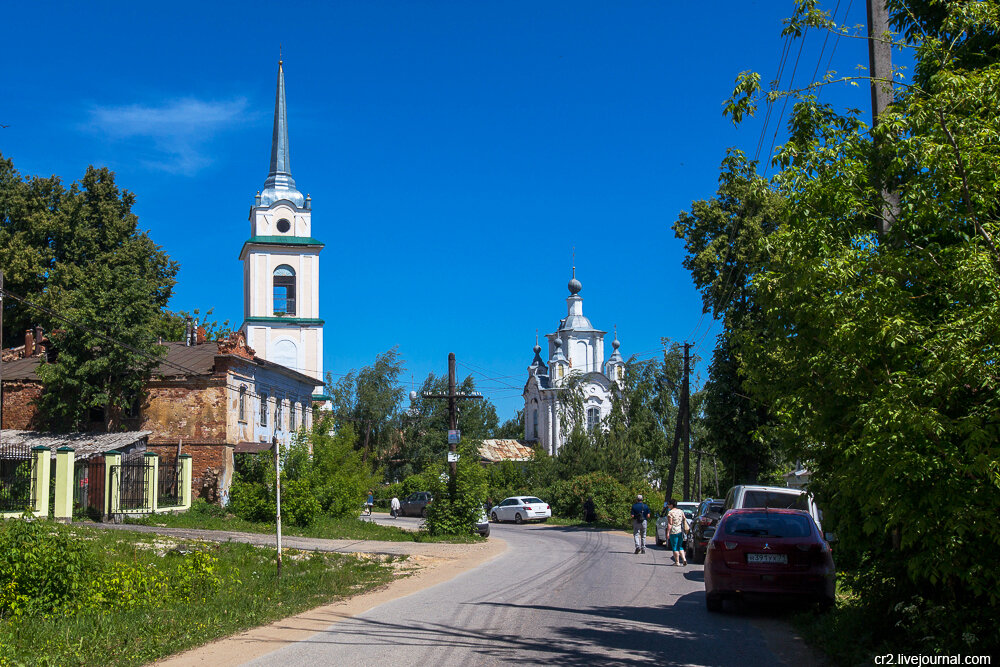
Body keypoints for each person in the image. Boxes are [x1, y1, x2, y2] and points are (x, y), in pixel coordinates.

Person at [666, 498, 689, 566]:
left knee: (675, 547)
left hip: (673, 531)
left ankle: (677, 562)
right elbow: (684, 519)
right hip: (680, 530)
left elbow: (670, 524)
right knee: (680, 546)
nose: (668, 506)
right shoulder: (681, 511)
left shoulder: (670, 513)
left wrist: (668, 532)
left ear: (672, 505)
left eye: (669, 504)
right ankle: (684, 559)